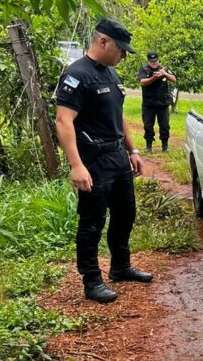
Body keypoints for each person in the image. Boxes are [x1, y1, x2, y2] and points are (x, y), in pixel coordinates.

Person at [55, 18, 154, 304]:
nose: (123, 55)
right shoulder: (77, 75)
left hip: (117, 157)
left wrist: (133, 150)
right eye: (120, 50)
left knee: (126, 213)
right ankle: (92, 280)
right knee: (92, 222)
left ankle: (120, 266)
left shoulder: (111, 74)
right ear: (103, 42)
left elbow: (118, 114)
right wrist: (76, 165)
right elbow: (63, 121)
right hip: (93, 160)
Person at [137, 51, 176, 152]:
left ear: (159, 60)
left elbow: (174, 79)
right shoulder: (144, 69)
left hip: (162, 103)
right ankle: (148, 146)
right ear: (148, 60)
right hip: (149, 103)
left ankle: (165, 146)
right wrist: (153, 78)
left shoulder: (164, 69)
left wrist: (165, 74)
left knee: (164, 125)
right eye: (151, 61)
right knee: (148, 125)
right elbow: (142, 82)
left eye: (155, 61)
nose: (154, 63)